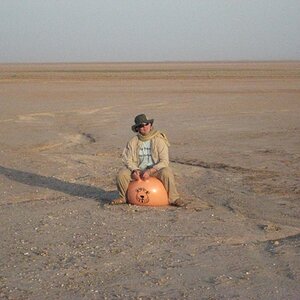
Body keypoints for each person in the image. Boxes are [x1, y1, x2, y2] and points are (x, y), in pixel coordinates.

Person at [111, 114, 187, 207]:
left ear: (150, 125)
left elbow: (164, 161)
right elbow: (127, 159)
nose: (144, 127)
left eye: (146, 124)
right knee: (122, 174)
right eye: (141, 126)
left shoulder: (159, 139)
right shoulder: (133, 142)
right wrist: (135, 170)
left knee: (167, 172)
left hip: (155, 170)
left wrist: (151, 171)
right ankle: (123, 197)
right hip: (139, 170)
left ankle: (174, 198)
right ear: (137, 129)